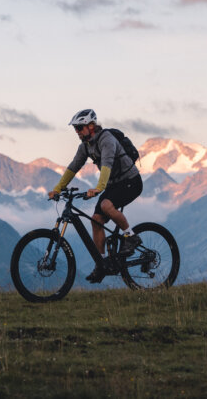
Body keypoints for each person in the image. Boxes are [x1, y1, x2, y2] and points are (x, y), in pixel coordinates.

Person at [47, 108, 143, 283]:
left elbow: (106, 163)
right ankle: (101, 264)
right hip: (114, 184)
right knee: (96, 220)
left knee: (106, 205)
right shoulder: (85, 146)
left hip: (131, 181)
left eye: (79, 128)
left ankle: (131, 236)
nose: (77, 132)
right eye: (75, 128)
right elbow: (73, 167)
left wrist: (99, 188)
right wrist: (58, 189)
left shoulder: (107, 139)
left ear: (91, 126)